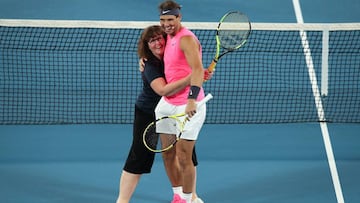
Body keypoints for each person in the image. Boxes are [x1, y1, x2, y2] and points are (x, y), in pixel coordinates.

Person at [116, 25, 205, 203]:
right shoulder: (149, 64)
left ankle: (190, 196)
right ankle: (122, 201)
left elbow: (192, 65)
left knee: (186, 154)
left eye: (159, 38)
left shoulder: (173, 54)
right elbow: (163, 90)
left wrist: (200, 74)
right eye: (152, 41)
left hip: (178, 110)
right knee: (139, 155)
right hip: (149, 112)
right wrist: (192, 76)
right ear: (146, 45)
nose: (157, 43)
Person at [155, 1, 207, 203]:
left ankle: (188, 198)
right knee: (167, 153)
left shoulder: (186, 39)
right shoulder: (167, 36)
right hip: (167, 104)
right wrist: (142, 59)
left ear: (179, 18)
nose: (166, 23)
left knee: (184, 155)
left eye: (170, 19)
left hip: (188, 104)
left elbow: (196, 70)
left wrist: (192, 100)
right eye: (162, 20)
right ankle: (178, 196)